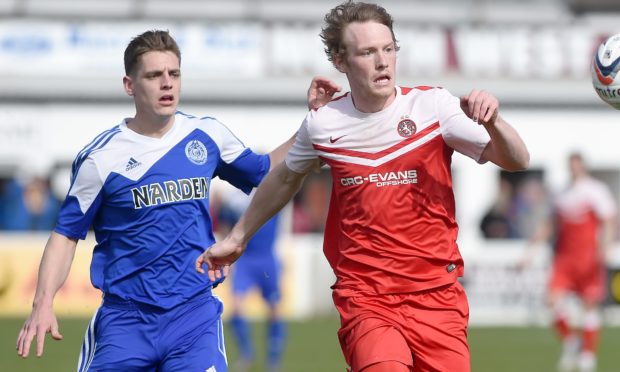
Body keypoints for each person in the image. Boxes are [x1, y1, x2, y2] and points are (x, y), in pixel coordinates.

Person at [196, 2, 530, 372]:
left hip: (437, 296)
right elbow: (284, 177)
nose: (382, 61)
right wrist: (239, 236)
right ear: (341, 62)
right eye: (368, 52)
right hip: (366, 297)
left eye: (388, 49)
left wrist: (495, 121)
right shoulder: (324, 124)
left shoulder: (433, 107)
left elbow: (517, 160)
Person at [15, 29, 339, 371]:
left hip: (193, 316)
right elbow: (66, 234)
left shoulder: (207, 136)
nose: (167, 83)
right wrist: (42, 302)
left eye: (174, 74)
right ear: (130, 85)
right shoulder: (100, 158)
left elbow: (264, 170)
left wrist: (311, 123)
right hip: (125, 321)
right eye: (154, 75)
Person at [520, 153, 616, 372]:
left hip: (588, 257)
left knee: (589, 305)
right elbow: (549, 226)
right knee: (552, 301)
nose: (573, 170)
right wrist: (529, 253)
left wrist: (606, 247)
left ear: (583, 167)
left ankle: (588, 355)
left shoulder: (595, 191)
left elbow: (609, 220)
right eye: (570, 166)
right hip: (564, 258)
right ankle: (572, 341)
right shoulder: (561, 194)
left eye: (577, 166)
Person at [217, 188, 285, 372]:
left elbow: (289, 183)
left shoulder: (272, 189)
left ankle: (273, 360)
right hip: (245, 259)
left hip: (267, 258)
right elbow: (224, 225)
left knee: (275, 310)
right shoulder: (232, 199)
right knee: (236, 307)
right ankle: (246, 354)